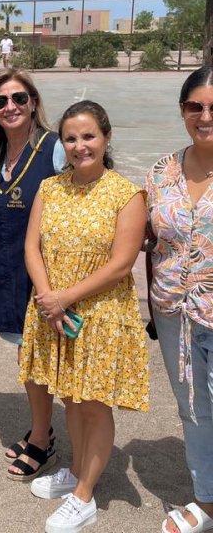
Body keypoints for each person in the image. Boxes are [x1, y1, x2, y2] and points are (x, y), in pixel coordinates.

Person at [20, 100, 149, 532]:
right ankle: (76, 469)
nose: (80, 146)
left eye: (89, 136)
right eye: (71, 138)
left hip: (99, 313)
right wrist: (46, 297)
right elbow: (31, 247)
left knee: (94, 403)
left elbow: (120, 264)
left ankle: (84, 495)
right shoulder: (50, 188)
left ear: (106, 137)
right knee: (70, 397)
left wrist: (65, 297)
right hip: (53, 310)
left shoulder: (126, 194)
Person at [0, 68, 65, 481]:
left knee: (47, 359)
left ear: (33, 103)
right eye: (0, 101)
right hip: (9, 274)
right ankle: (41, 429)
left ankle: (43, 440)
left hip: (51, 276)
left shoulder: (55, 150)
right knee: (27, 358)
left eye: (18, 98)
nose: (10, 107)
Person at [145, 66, 213, 533]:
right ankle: (206, 500)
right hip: (173, 313)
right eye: (196, 106)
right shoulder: (160, 172)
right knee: (192, 406)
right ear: (183, 110)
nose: (205, 116)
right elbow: (145, 244)